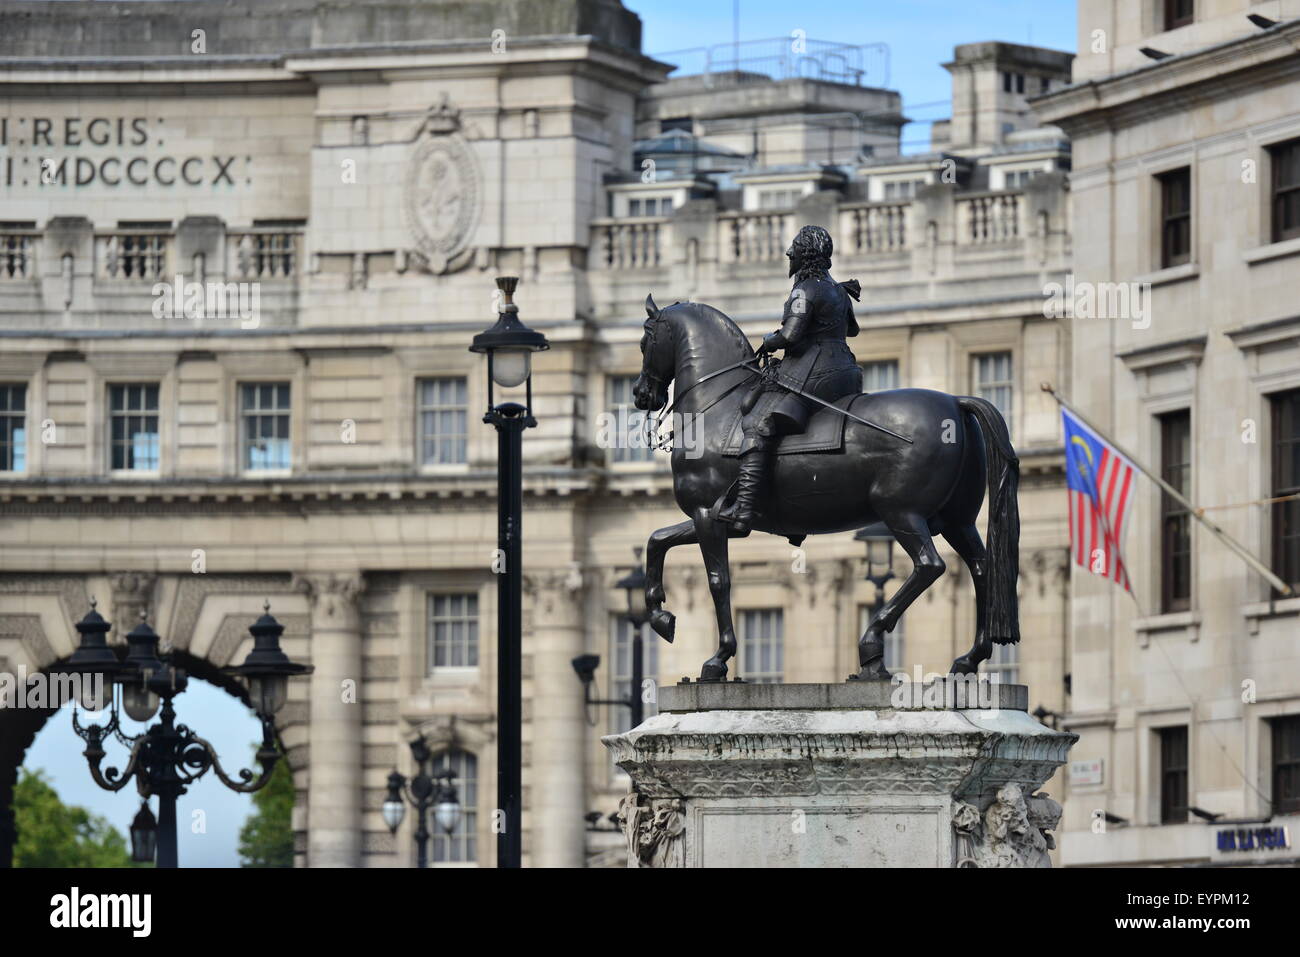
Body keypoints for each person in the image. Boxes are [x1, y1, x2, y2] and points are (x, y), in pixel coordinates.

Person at [717, 224, 862, 534]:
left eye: (793, 250)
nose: (789, 255)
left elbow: (791, 334)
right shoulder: (839, 289)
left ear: (804, 254)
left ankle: (744, 509)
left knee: (758, 423)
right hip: (846, 373)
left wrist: (771, 340)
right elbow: (852, 330)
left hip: (814, 370)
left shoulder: (805, 289)